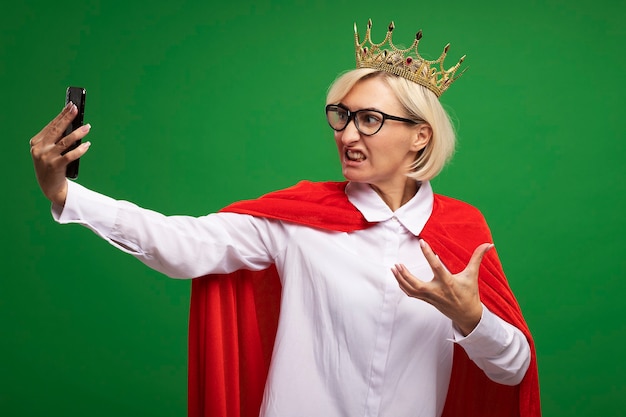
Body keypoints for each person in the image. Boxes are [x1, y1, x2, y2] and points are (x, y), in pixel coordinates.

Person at [29, 19, 540, 417]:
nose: (347, 135)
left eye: (370, 120)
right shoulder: (298, 220)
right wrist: (66, 192)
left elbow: (513, 368)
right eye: (342, 116)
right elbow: (181, 244)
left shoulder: (461, 232)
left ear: (420, 136)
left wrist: (469, 316)